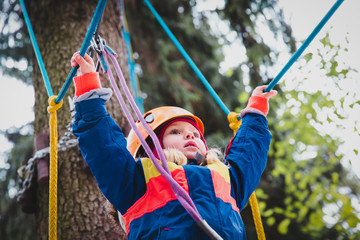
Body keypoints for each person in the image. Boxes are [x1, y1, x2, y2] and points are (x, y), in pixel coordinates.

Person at [71, 52, 277, 239]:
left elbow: (248, 154)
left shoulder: (226, 178)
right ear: (151, 147)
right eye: (175, 132)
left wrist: (256, 112)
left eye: (196, 134)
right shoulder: (136, 180)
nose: (190, 135)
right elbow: (105, 148)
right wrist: (89, 91)